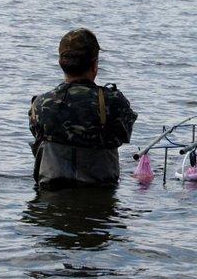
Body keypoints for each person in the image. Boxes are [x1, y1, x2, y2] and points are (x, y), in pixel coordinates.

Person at [29, 28, 138, 189]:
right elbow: (123, 136)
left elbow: (36, 133)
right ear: (95, 65)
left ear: (61, 64)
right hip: (100, 198)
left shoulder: (40, 104)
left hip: (50, 197)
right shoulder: (113, 102)